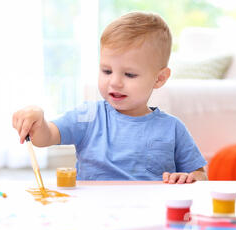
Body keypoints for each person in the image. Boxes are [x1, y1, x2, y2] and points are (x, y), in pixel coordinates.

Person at [12, 11, 207, 183]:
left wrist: (189, 178)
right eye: (106, 71)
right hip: (96, 213)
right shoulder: (87, 117)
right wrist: (37, 121)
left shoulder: (172, 128)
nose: (114, 82)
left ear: (159, 78)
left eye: (129, 74)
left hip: (151, 212)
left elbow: (200, 175)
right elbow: (45, 137)